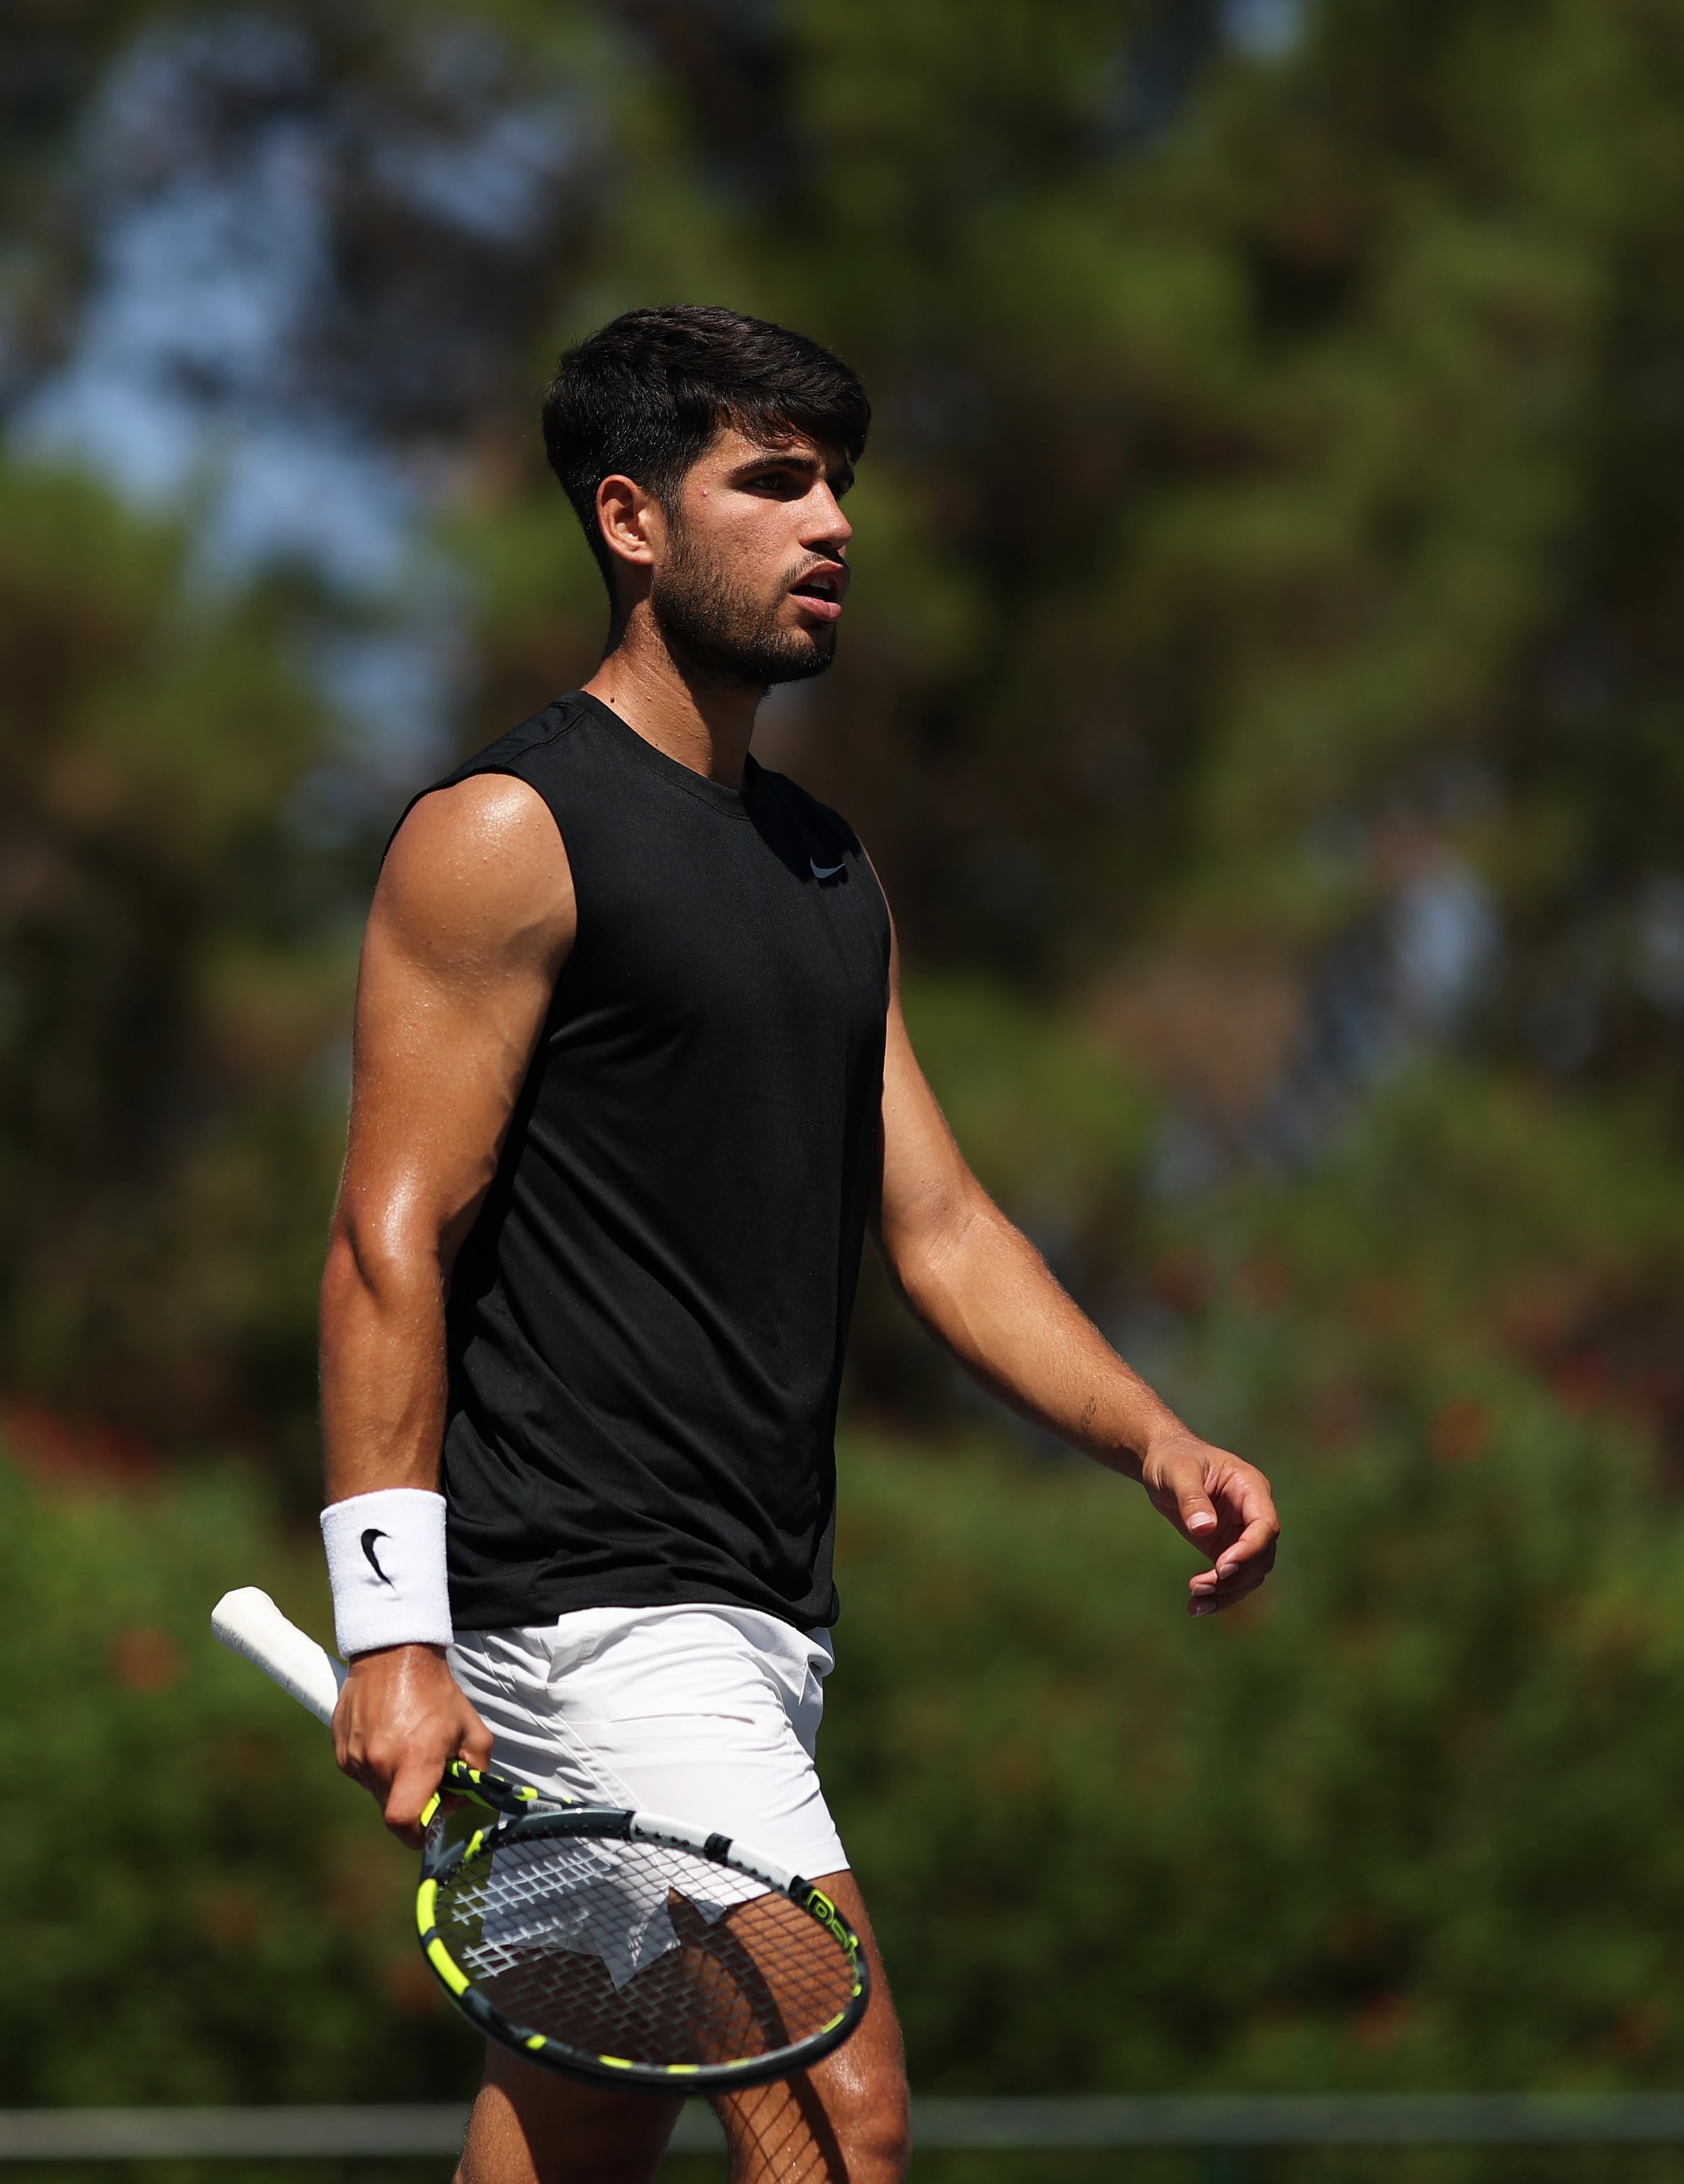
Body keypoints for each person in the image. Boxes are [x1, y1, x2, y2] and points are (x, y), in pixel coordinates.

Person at [318, 303, 1282, 2184]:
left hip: (758, 1613)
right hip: (596, 1611)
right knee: (840, 2116)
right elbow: (385, 1239)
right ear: (631, 520)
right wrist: (389, 1633)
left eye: (839, 480)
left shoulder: (831, 870)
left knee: (574, 2149)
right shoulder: (507, 833)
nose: (831, 520)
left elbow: (935, 1222)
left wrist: (1153, 1436)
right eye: (772, 480)